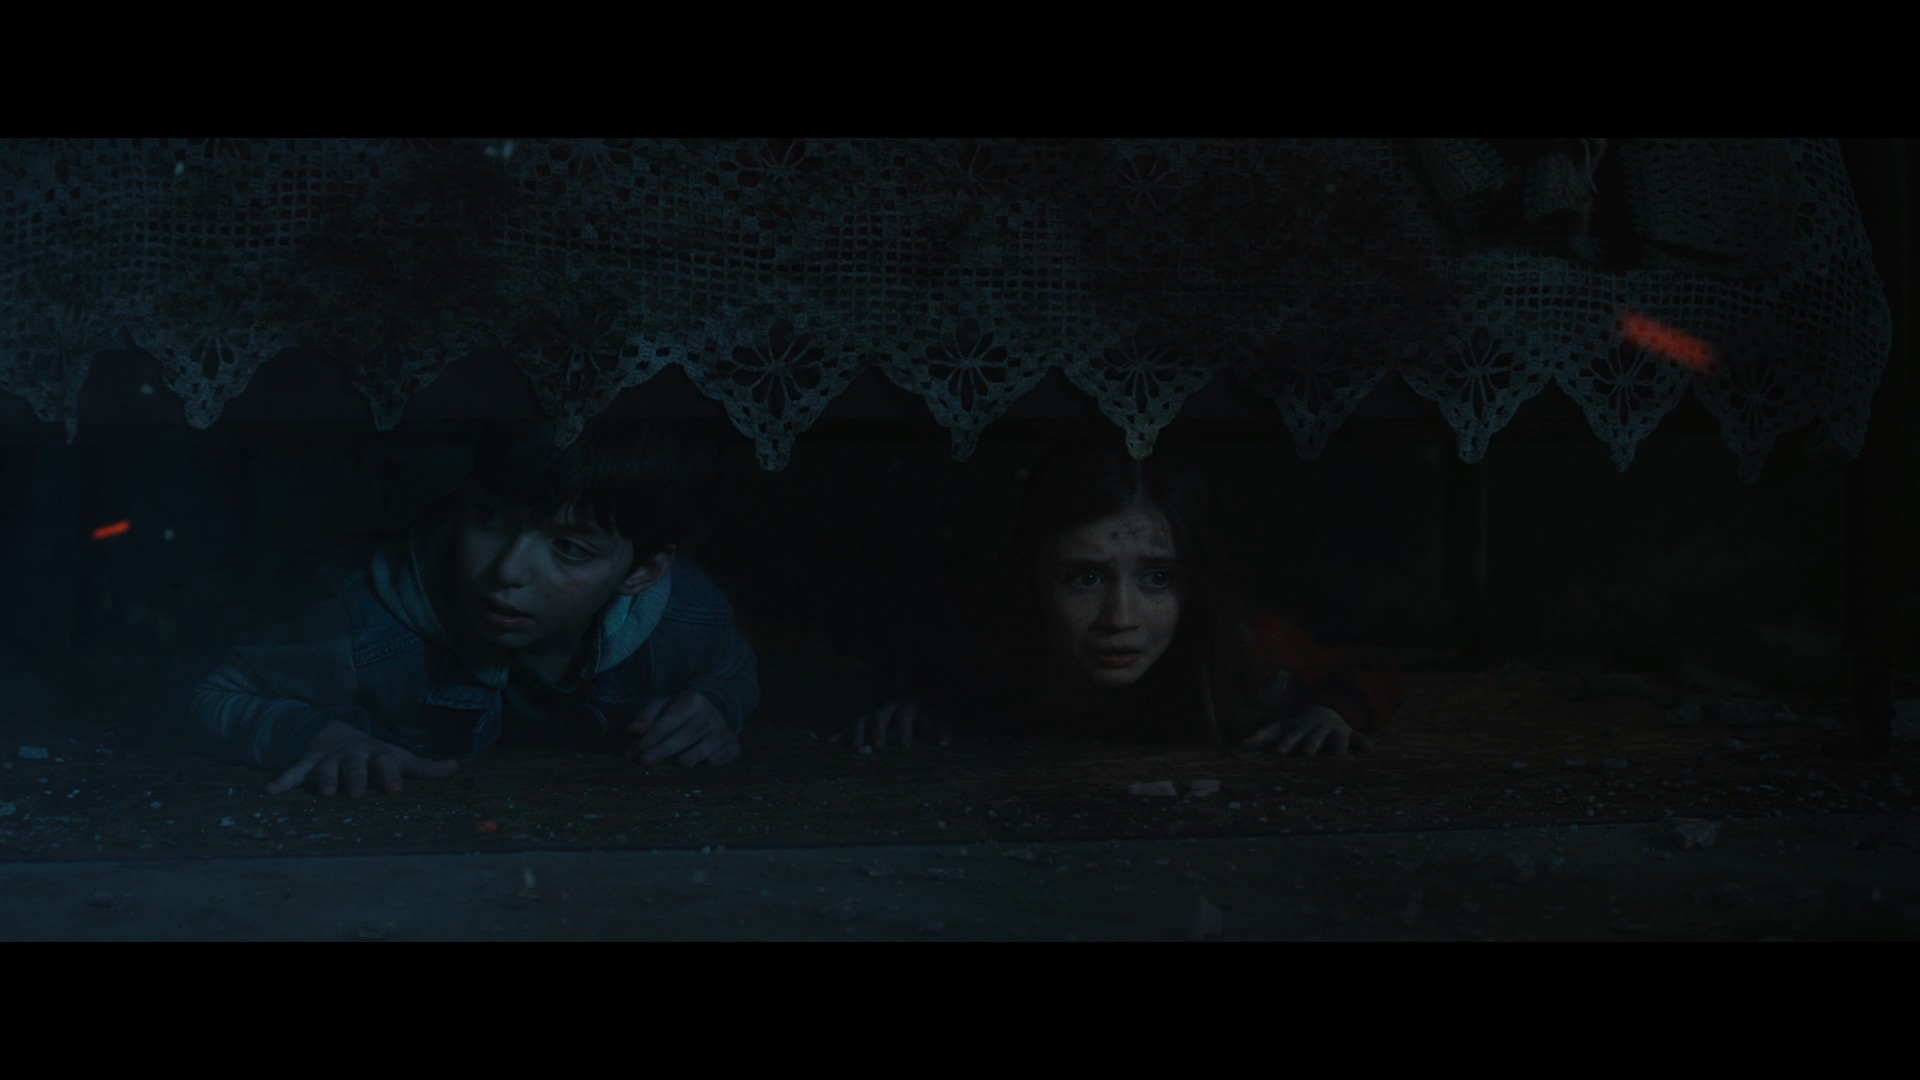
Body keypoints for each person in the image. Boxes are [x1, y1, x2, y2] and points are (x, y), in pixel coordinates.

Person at [190, 420, 757, 797]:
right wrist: (315, 735)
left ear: (644, 570)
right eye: (491, 520)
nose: (509, 570)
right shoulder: (357, 630)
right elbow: (210, 693)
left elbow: (730, 669)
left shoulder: (687, 618)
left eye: (569, 548)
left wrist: (716, 706)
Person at [851, 434, 1402, 754]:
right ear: (1034, 578)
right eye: (1085, 578)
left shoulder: (1250, 651)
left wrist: (1331, 712)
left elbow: (1368, 670)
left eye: (1157, 578)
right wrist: (913, 708)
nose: (1120, 618)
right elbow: (930, 669)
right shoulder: (991, 644)